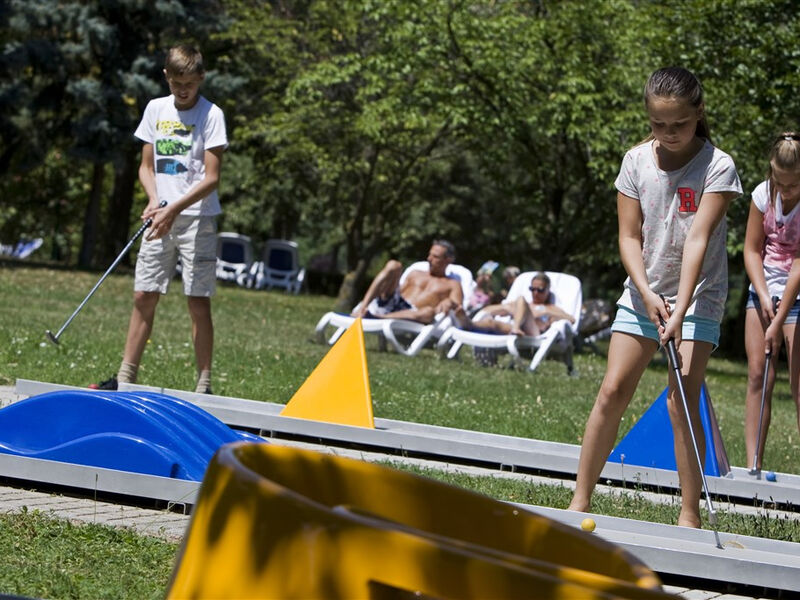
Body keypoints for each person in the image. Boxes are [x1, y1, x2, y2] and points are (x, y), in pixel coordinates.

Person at [567, 67, 742, 529]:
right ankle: (579, 502)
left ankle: (689, 516)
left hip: (699, 295)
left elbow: (698, 240)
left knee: (679, 399)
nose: (668, 134)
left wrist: (681, 306)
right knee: (612, 389)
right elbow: (628, 237)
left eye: (679, 125)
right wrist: (646, 293)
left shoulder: (718, 165)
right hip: (642, 291)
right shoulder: (635, 161)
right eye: (659, 125)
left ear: (697, 114)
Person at [92, 44, 227, 393]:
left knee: (197, 299)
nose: (183, 90)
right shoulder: (155, 109)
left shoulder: (212, 115)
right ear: (166, 76)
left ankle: (204, 383)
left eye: (190, 84)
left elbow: (211, 178)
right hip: (160, 216)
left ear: (201, 78)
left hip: (197, 218)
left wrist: (173, 208)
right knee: (143, 295)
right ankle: (125, 376)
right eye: (177, 82)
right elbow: (145, 166)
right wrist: (155, 200)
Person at [745, 133, 800, 470]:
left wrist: (778, 321)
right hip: (763, 288)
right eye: (778, 182)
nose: (784, 190)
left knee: (798, 383)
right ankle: (753, 465)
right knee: (757, 374)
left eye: (792, 185)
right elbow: (752, 249)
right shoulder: (763, 195)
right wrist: (764, 295)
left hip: (797, 295)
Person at [352, 240, 463, 324]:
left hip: (413, 313)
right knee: (394, 265)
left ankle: (376, 318)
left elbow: (458, 307)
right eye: (430, 254)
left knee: (429, 312)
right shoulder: (416, 272)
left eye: (435, 257)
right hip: (394, 302)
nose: (429, 259)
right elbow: (397, 290)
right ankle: (363, 308)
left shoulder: (453, 284)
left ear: (448, 260)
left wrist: (450, 302)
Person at [470, 272, 575, 336]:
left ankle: (516, 328)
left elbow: (572, 319)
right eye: (532, 289)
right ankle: (467, 324)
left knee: (520, 299)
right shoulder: (524, 304)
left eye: (540, 290)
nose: (535, 293)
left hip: (535, 333)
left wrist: (546, 312)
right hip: (514, 330)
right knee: (492, 323)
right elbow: (488, 310)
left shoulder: (550, 308)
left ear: (548, 290)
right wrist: (507, 308)